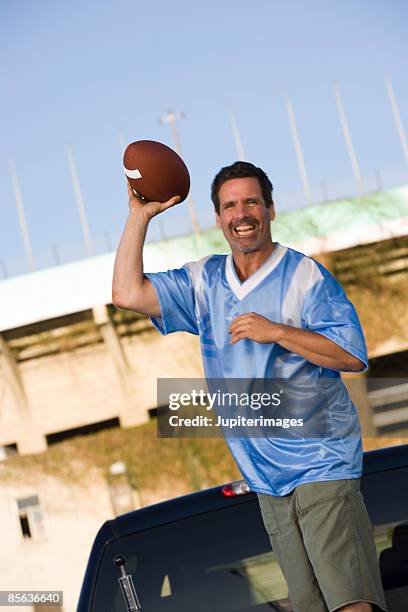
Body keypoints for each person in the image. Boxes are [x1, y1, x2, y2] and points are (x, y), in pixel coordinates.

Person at [112, 161, 387, 612]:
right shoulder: (203, 281)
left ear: (271, 209)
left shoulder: (304, 277)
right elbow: (126, 293)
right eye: (230, 205)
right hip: (265, 478)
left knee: (351, 604)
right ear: (218, 218)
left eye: (252, 202)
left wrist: (277, 331)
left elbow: (351, 355)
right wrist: (139, 216)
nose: (242, 214)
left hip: (322, 462)